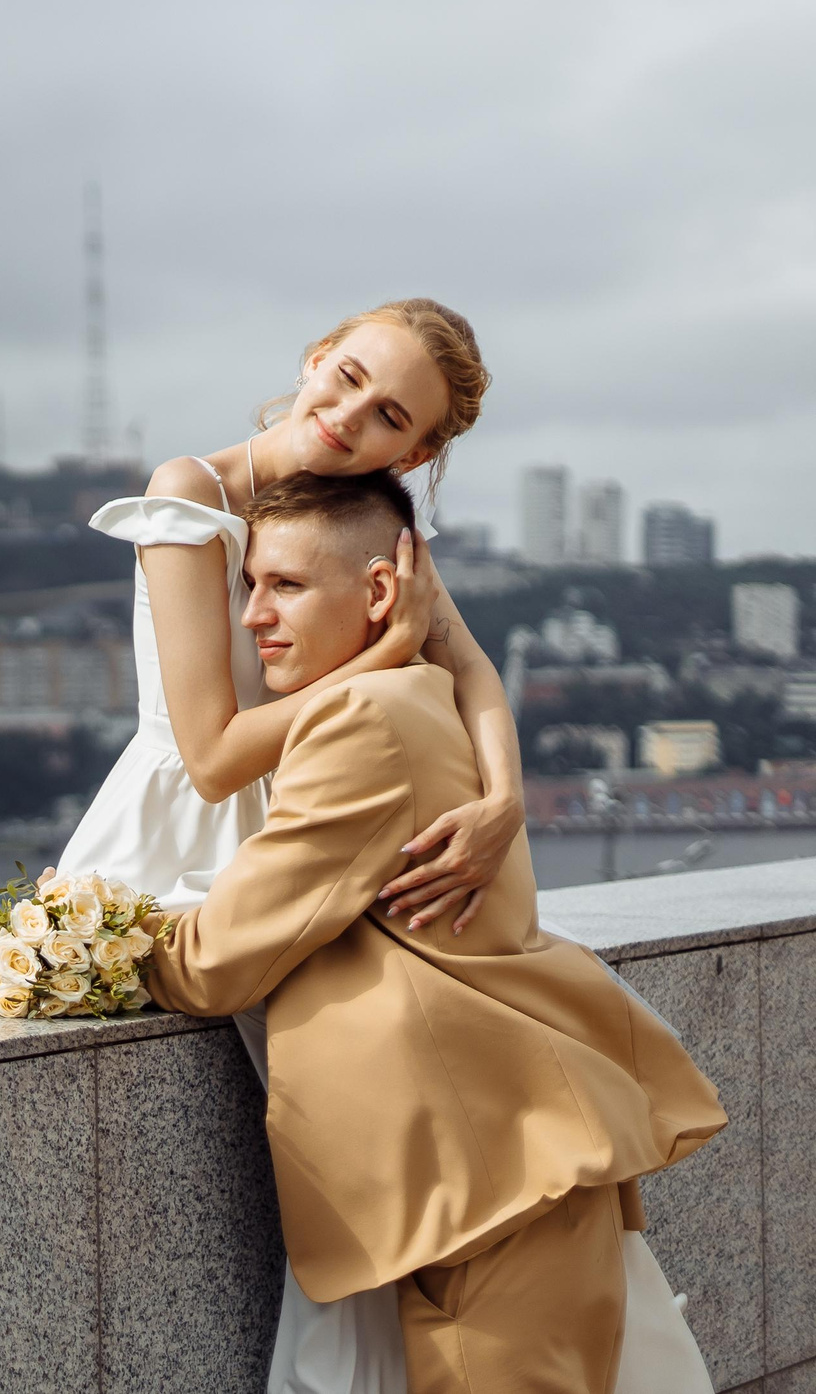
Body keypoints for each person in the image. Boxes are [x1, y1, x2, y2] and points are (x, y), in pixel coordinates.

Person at [134, 471, 724, 1393]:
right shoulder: (419, 693)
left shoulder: (362, 721)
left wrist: (84, 938)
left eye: (284, 584)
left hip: (488, 1184)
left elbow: (214, 964)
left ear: (379, 590)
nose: (252, 615)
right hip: (491, 1169)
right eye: (250, 584)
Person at [55, 298, 511, 1390]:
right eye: (345, 375)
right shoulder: (188, 495)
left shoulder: (373, 518)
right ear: (313, 358)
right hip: (198, 846)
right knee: (338, 1156)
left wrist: (502, 804)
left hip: (321, 831)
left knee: (368, 1147)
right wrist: (384, 655)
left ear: (420, 450)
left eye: (388, 413)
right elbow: (211, 754)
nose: (348, 415)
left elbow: (476, 674)